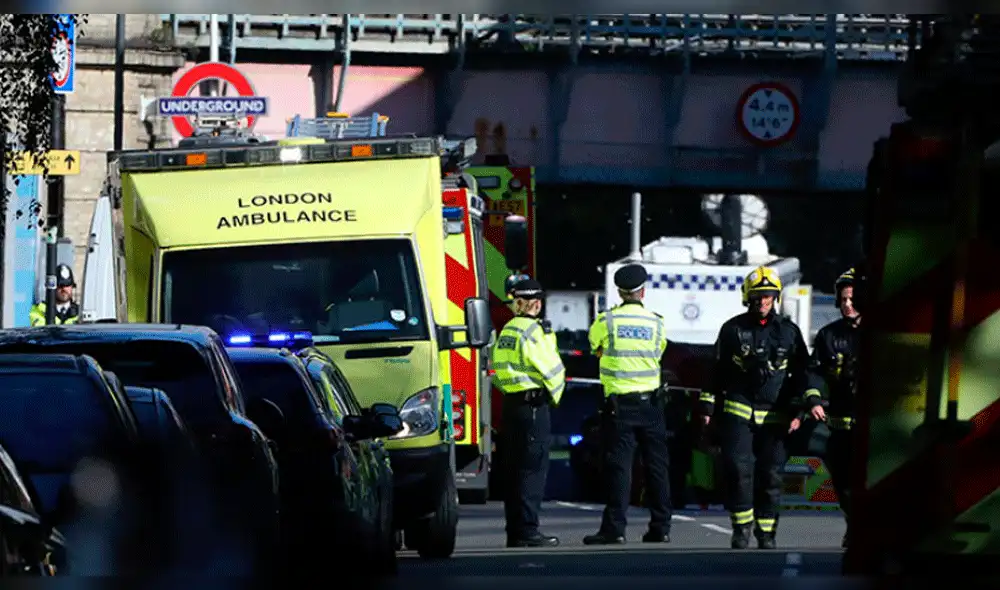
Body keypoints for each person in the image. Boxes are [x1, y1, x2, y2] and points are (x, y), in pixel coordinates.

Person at [699, 266, 821, 549]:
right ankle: (741, 528)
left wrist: (804, 408)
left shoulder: (789, 333)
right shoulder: (732, 330)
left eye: (768, 296)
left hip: (777, 416)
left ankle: (766, 532)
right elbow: (715, 371)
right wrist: (707, 407)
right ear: (747, 297)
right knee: (738, 470)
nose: (763, 301)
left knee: (770, 474)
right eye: (757, 296)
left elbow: (804, 373)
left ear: (775, 298)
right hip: (739, 411)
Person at [583, 263, 672, 545]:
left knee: (619, 468)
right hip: (651, 404)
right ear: (642, 291)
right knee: (657, 467)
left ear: (620, 292)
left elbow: (593, 346)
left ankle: (614, 529)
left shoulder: (606, 321)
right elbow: (659, 351)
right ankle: (661, 527)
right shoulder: (656, 322)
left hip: (619, 406)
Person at [491, 277, 565, 548]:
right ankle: (528, 531)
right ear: (536, 303)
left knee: (513, 471)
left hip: (513, 405)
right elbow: (552, 369)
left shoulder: (509, 330)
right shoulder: (535, 331)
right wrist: (554, 396)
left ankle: (515, 530)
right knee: (532, 472)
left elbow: (497, 370)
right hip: (534, 407)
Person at [809, 268, 861, 548]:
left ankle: (860, 529)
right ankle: (853, 522)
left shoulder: (876, 333)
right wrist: (814, 399)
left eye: (852, 299)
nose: (847, 305)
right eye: (842, 300)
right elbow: (815, 372)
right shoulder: (828, 336)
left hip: (870, 427)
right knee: (842, 482)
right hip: (839, 425)